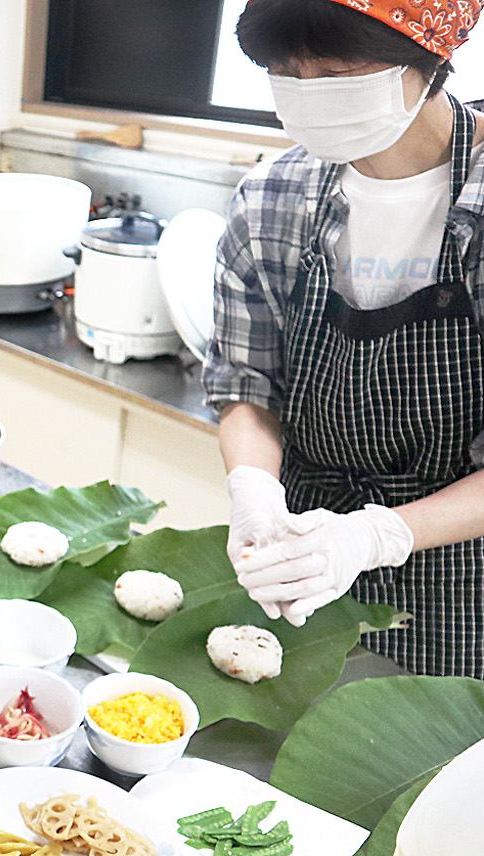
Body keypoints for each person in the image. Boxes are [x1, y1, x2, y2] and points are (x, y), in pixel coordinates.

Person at [205, 0, 484, 677]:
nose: (307, 93)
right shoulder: (269, 202)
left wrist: (377, 533)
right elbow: (246, 384)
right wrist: (253, 489)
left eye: (336, 70)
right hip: (300, 554)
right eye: (284, 72)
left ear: (430, 60)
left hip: (463, 574)